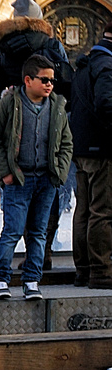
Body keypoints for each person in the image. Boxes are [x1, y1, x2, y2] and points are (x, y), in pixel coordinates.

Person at [0, 0, 73, 269]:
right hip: (48, 123)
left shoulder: (3, 47)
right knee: (48, 191)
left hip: (14, 129)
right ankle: (42, 252)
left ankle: (14, 260)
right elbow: (67, 82)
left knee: (17, 194)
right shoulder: (51, 44)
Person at [0, 54, 73, 301]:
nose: (49, 85)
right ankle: (0, 279)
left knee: (38, 233)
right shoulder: (11, 103)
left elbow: (66, 142)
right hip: (19, 179)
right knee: (12, 230)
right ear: (28, 80)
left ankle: (32, 281)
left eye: (52, 80)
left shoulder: (56, 105)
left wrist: (60, 172)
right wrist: (6, 173)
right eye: (44, 80)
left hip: (47, 180)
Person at [68, 26, 112, 288]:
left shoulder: (87, 64)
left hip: (82, 148)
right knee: (103, 211)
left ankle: (83, 269)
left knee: (83, 210)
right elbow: (107, 104)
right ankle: (102, 270)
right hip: (103, 150)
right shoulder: (107, 66)